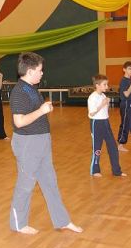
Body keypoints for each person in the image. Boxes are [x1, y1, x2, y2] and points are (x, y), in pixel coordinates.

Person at [9, 52, 82, 235]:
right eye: (40, 70)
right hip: (28, 144)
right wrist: (42, 111)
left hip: (41, 141)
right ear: (30, 71)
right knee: (26, 185)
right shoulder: (19, 91)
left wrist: (43, 109)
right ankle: (18, 224)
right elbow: (19, 121)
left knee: (50, 183)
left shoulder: (32, 88)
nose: (42, 73)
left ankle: (62, 221)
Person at [88, 74, 127, 177]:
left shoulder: (103, 96)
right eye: (104, 84)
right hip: (96, 123)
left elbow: (104, 111)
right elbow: (92, 113)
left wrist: (106, 103)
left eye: (107, 84)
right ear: (97, 85)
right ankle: (95, 170)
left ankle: (117, 171)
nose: (107, 86)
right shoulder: (92, 97)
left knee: (113, 147)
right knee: (97, 148)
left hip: (105, 122)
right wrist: (102, 104)